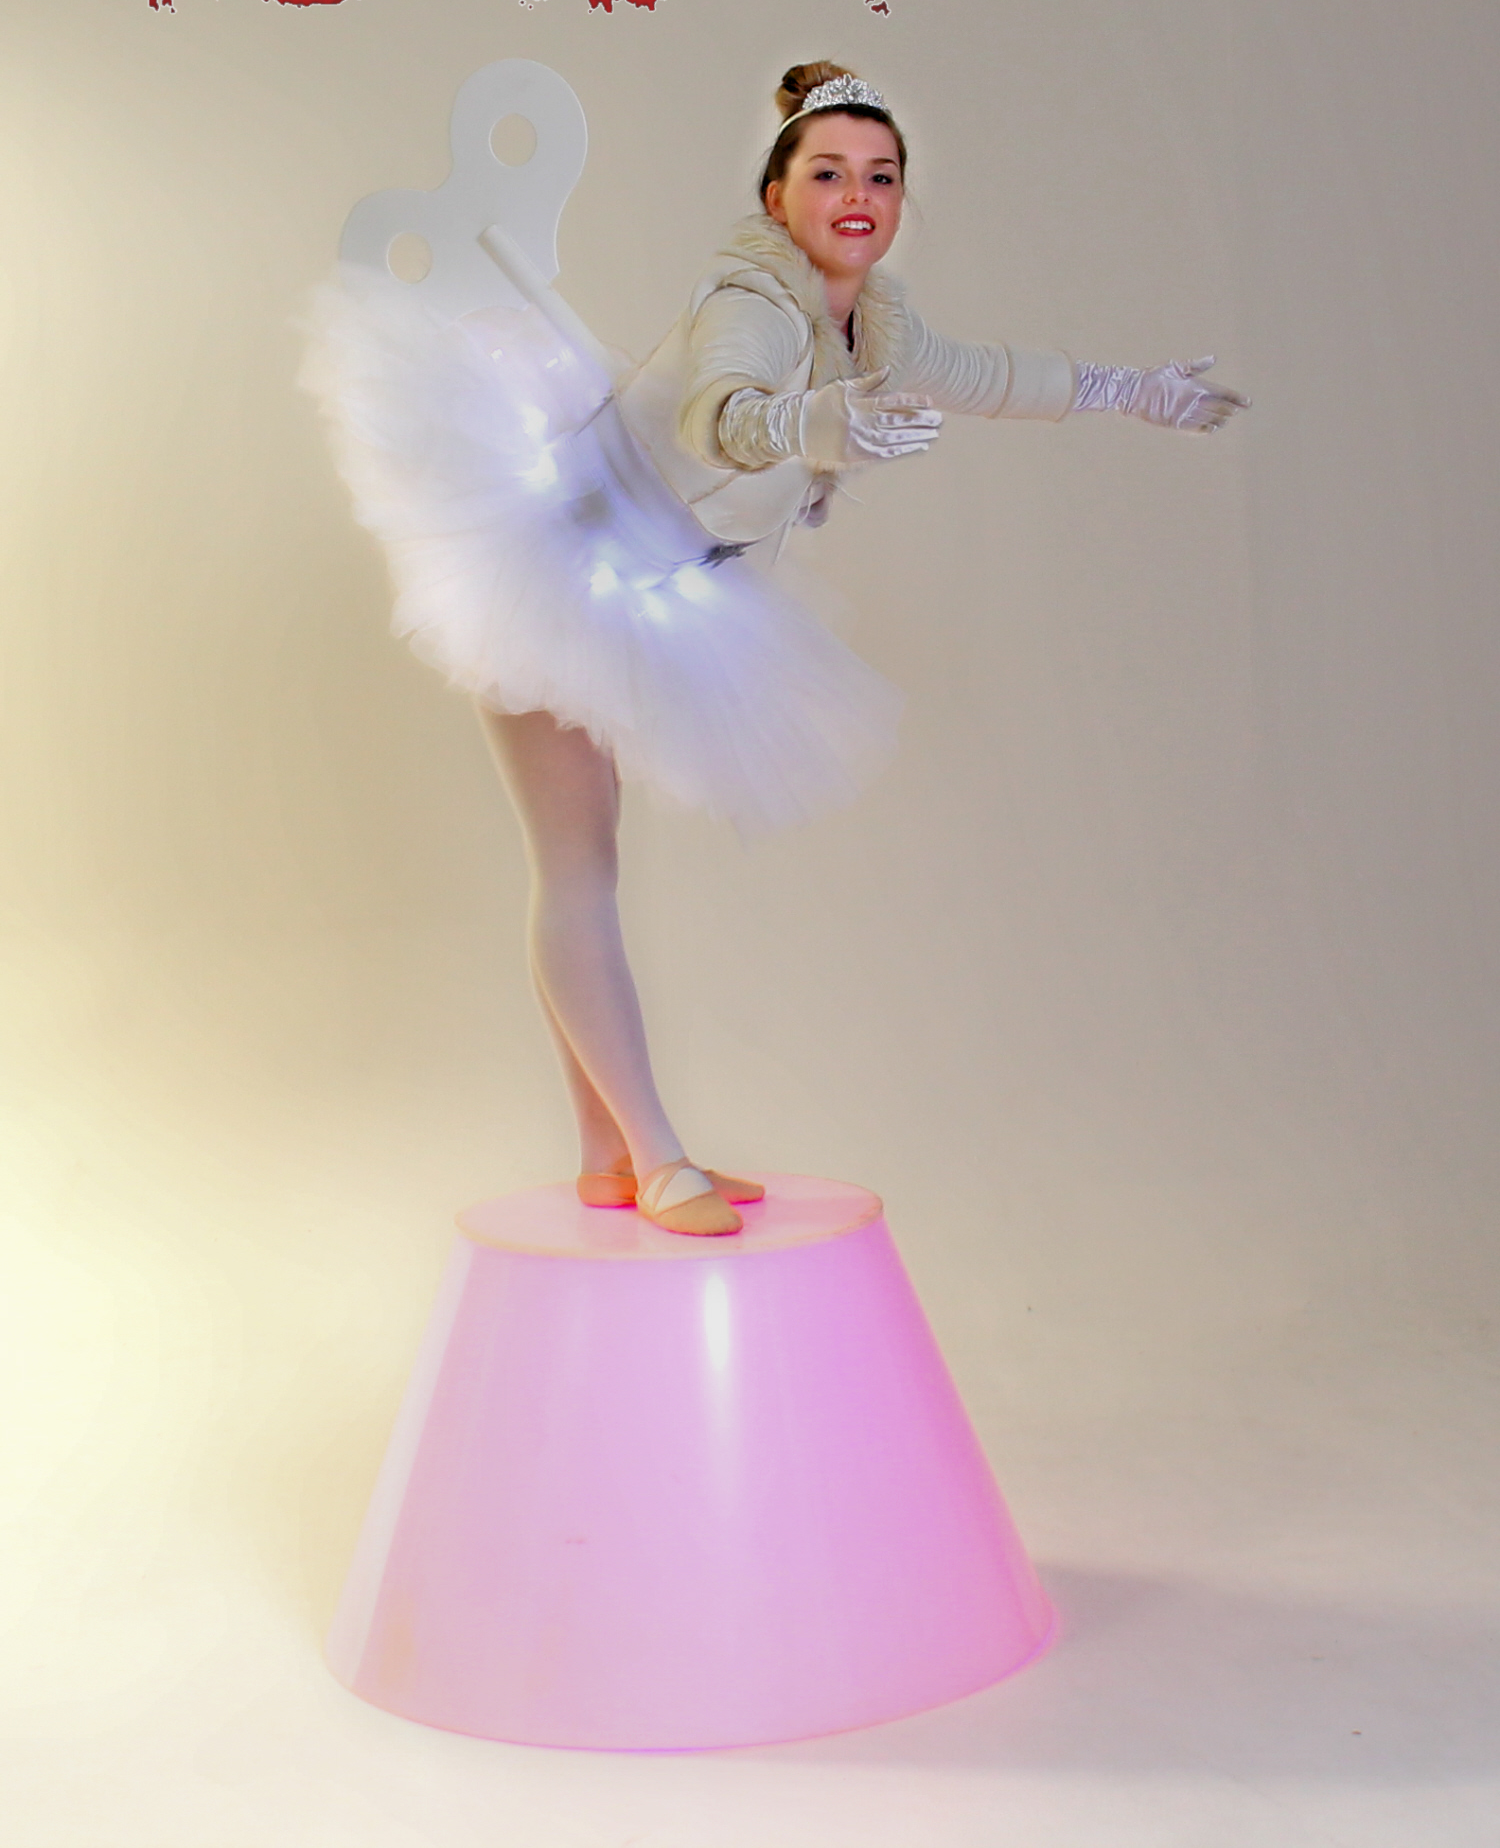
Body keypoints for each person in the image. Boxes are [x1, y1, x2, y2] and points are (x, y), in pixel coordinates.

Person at [306, 60, 1248, 1241]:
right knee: (577, 871)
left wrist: (1133, 390)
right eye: (829, 173)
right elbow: (724, 413)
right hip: (556, 567)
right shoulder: (751, 300)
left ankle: (607, 1154)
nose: (858, 196)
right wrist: (816, 423)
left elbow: (990, 376)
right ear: (777, 197)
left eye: (881, 176)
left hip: (654, 587)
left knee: (588, 865)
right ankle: (657, 1159)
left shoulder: (873, 328)